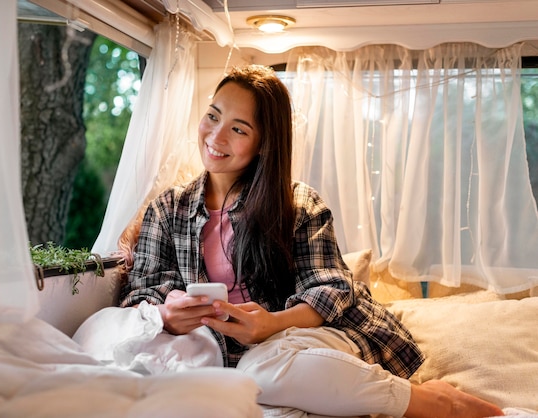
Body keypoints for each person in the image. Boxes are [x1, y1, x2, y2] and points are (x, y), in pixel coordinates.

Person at [118, 65, 504, 418]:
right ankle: (407, 396)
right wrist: (167, 312)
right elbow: (142, 291)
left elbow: (331, 288)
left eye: (238, 128)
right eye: (213, 116)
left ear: (264, 143)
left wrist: (271, 325)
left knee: (260, 369)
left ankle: (430, 403)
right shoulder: (167, 210)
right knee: (249, 380)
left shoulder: (297, 202)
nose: (216, 136)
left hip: (315, 335)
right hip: (234, 355)